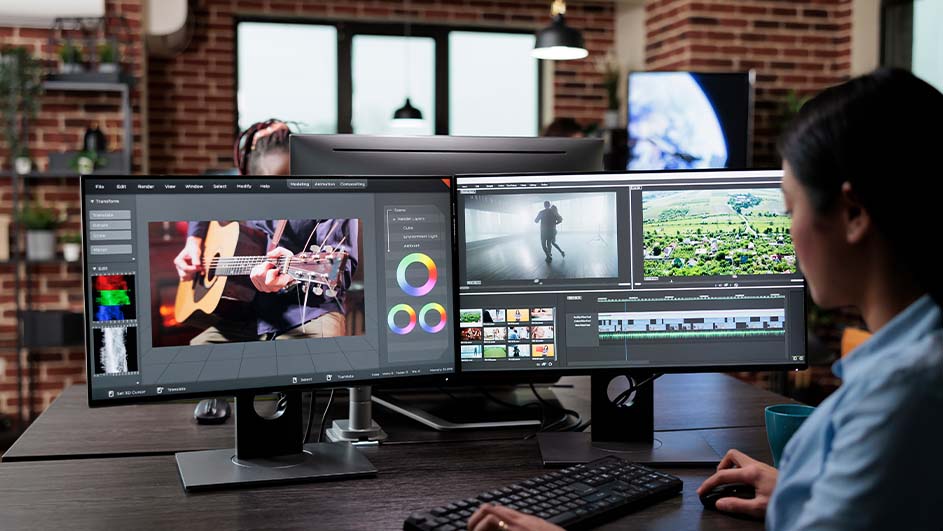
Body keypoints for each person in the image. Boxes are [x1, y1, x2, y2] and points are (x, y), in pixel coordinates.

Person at [468, 68, 943, 530]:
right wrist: (807, 490)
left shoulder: (897, 400)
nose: (788, 234)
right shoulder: (918, 366)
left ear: (854, 213)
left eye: (790, 208)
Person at [173, 119, 359, 343]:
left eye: (278, 142)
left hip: (307, 312)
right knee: (197, 352)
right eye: (259, 147)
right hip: (248, 315)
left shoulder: (330, 191)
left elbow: (339, 266)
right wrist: (193, 241)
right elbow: (200, 200)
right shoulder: (244, 187)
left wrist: (290, 273)